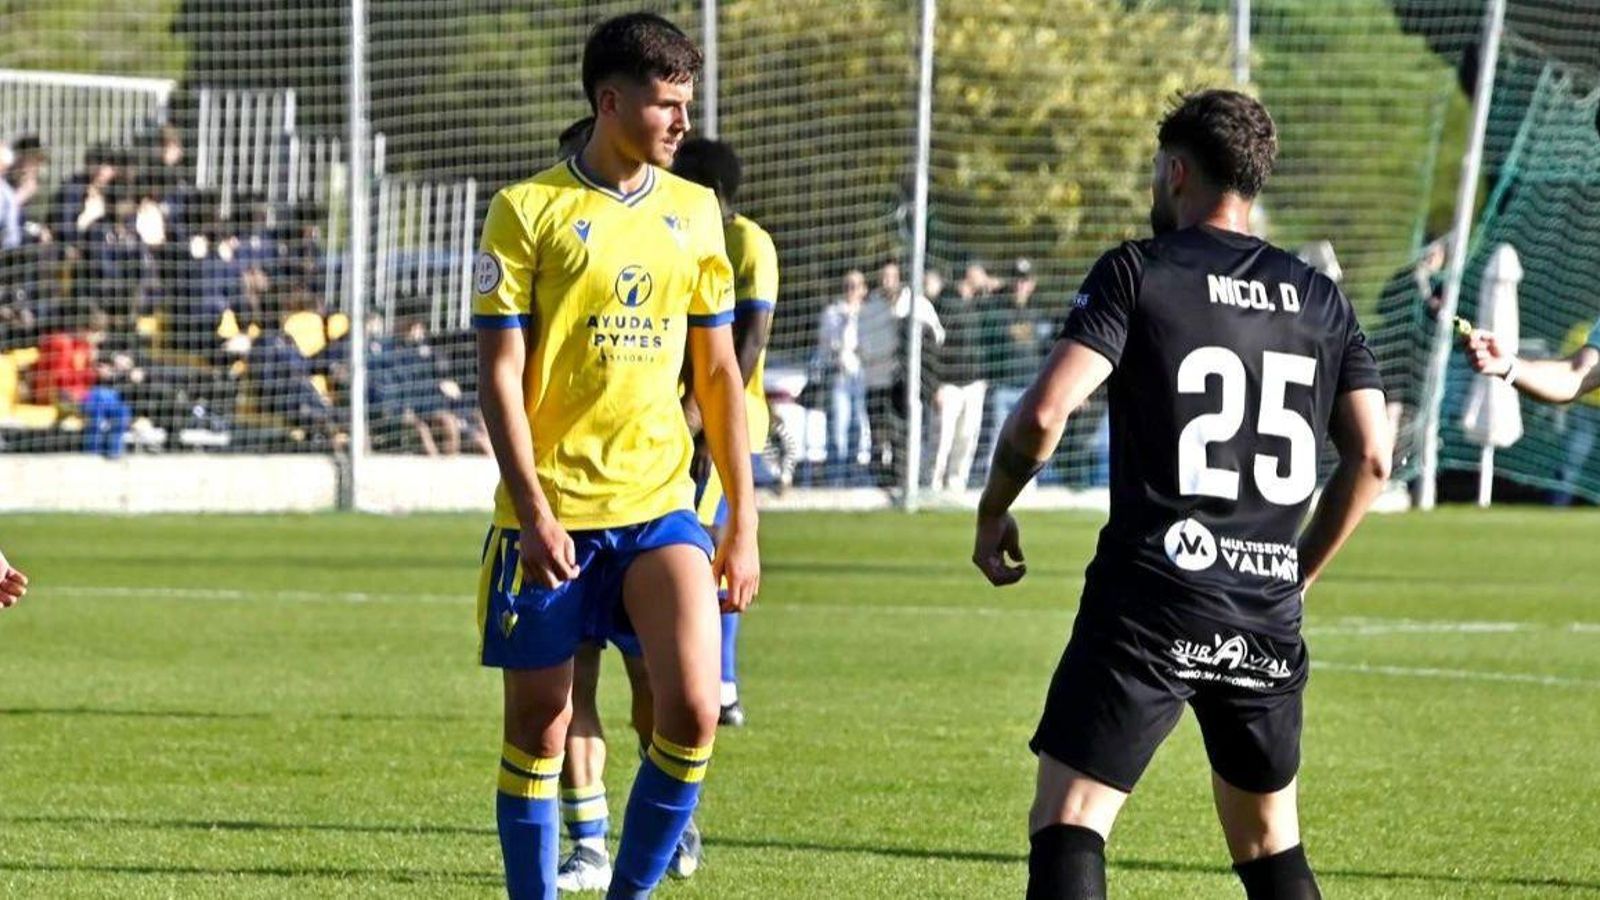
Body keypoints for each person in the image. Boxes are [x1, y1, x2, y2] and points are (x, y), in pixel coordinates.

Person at [972, 90, 1389, 899]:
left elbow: (1045, 413)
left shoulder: (1140, 271)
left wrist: (995, 507)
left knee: (1072, 818)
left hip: (1152, 595)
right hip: (1264, 606)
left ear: (1176, 171)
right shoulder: (1320, 298)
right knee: (1270, 842)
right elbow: (1371, 457)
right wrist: (1295, 571)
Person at [472, 14, 758, 900]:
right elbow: (499, 374)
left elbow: (717, 378)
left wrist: (741, 522)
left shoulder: (696, 211)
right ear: (610, 101)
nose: (681, 123)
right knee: (541, 732)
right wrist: (534, 511)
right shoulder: (527, 211)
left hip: (660, 506)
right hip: (549, 516)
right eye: (666, 105)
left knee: (694, 710)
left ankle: (630, 893)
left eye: (686, 104)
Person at [673, 135, 779, 730]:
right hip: (684, 415)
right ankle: (710, 681)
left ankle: (723, 684)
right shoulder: (684, 236)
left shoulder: (748, 244)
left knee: (711, 550)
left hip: (729, 417)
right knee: (693, 549)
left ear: (712, 192)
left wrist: (711, 420)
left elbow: (750, 339)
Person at [929, 262, 991, 490]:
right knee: (941, 440)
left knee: (967, 438)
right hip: (948, 384)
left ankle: (956, 485)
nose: (984, 276)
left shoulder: (977, 304)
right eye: (981, 271)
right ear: (969, 273)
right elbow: (934, 347)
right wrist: (935, 386)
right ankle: (931, 485)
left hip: (974, 385)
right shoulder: (945, 303)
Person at [816, 269, 868, 483]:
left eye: (855, 286)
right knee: (838, 426)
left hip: (862, 375)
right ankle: (835, 479)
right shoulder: (832, 313)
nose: (851, 290)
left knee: (858, 426)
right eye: (847, 285)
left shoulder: (868, 312)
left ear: (863, 290)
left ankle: (853, 476)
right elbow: (826, 345)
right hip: (839, 375)